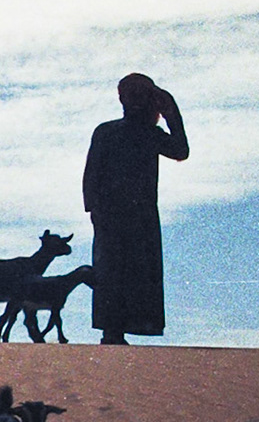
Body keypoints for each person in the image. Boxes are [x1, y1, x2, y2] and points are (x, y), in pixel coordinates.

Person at [81, 73, 189, 344]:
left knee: (135, 272)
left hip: (139, 215)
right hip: (114, 214)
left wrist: (171, 113)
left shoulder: (150, 134)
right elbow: (92, 172)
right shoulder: (107, 131)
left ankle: (119, 329)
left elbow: (181, 150)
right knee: (112, 271)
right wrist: (93, 208)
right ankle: (112, 330)